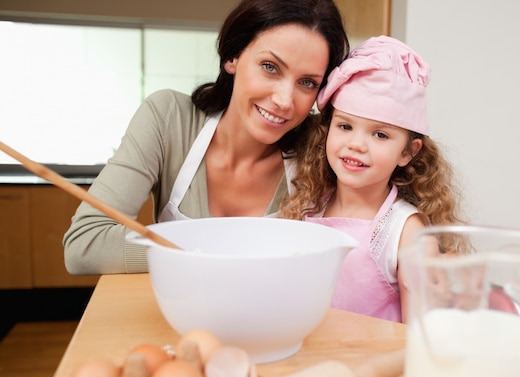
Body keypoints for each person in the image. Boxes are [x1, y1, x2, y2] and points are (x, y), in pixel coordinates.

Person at [63, 0, 350, 275]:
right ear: (232, 57)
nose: (284, 100)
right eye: (270, 67)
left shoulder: (323, 146)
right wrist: (221, 250)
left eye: (307, 82)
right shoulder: (168, 119)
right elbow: (85, 244)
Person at [279, 36, 465, 323]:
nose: (356, 144)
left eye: (380, 134)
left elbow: (420, 335)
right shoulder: (308, 206)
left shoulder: (406, 233)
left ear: (407, 152)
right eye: (345, 126)